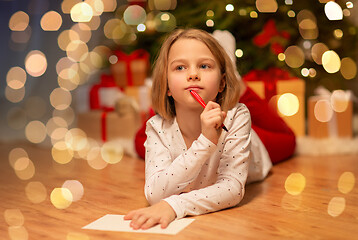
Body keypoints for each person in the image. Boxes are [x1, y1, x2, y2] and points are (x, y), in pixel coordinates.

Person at [124, 28, 273, 230]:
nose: (193, 74)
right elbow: (155, 194)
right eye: (180, 68)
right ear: (166, 85)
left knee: (287, 140)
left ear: (221, 83)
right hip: (202, 152)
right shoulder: (156, 127)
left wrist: (174, 205)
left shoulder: (238, 116)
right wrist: (205, 142)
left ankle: (233, 72)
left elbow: (232, 189)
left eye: (204, 66)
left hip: (255, 153)